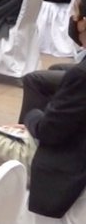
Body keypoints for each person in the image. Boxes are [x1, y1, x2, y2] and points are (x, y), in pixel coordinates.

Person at [25, 25, 86, 220]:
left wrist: (32, 117)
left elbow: (49, 131)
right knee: (50, 74)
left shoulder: (80, 77)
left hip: (67, 163)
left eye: (75, 12)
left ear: (83, 23)